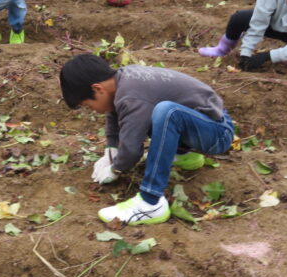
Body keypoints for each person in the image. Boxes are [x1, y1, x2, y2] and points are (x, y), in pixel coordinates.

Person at [59, 54, 234, 226]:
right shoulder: (122, 80)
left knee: (166, 112)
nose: (93, 111)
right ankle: (184, 155)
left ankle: (151, 202)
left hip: (218, 133)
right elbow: (115, 111)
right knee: (152, 113)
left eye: (88, 105)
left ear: (98, 89)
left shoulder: (131, 95)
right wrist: (111, 149)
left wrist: (116, 168)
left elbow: (132, 149)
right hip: (203, 123)